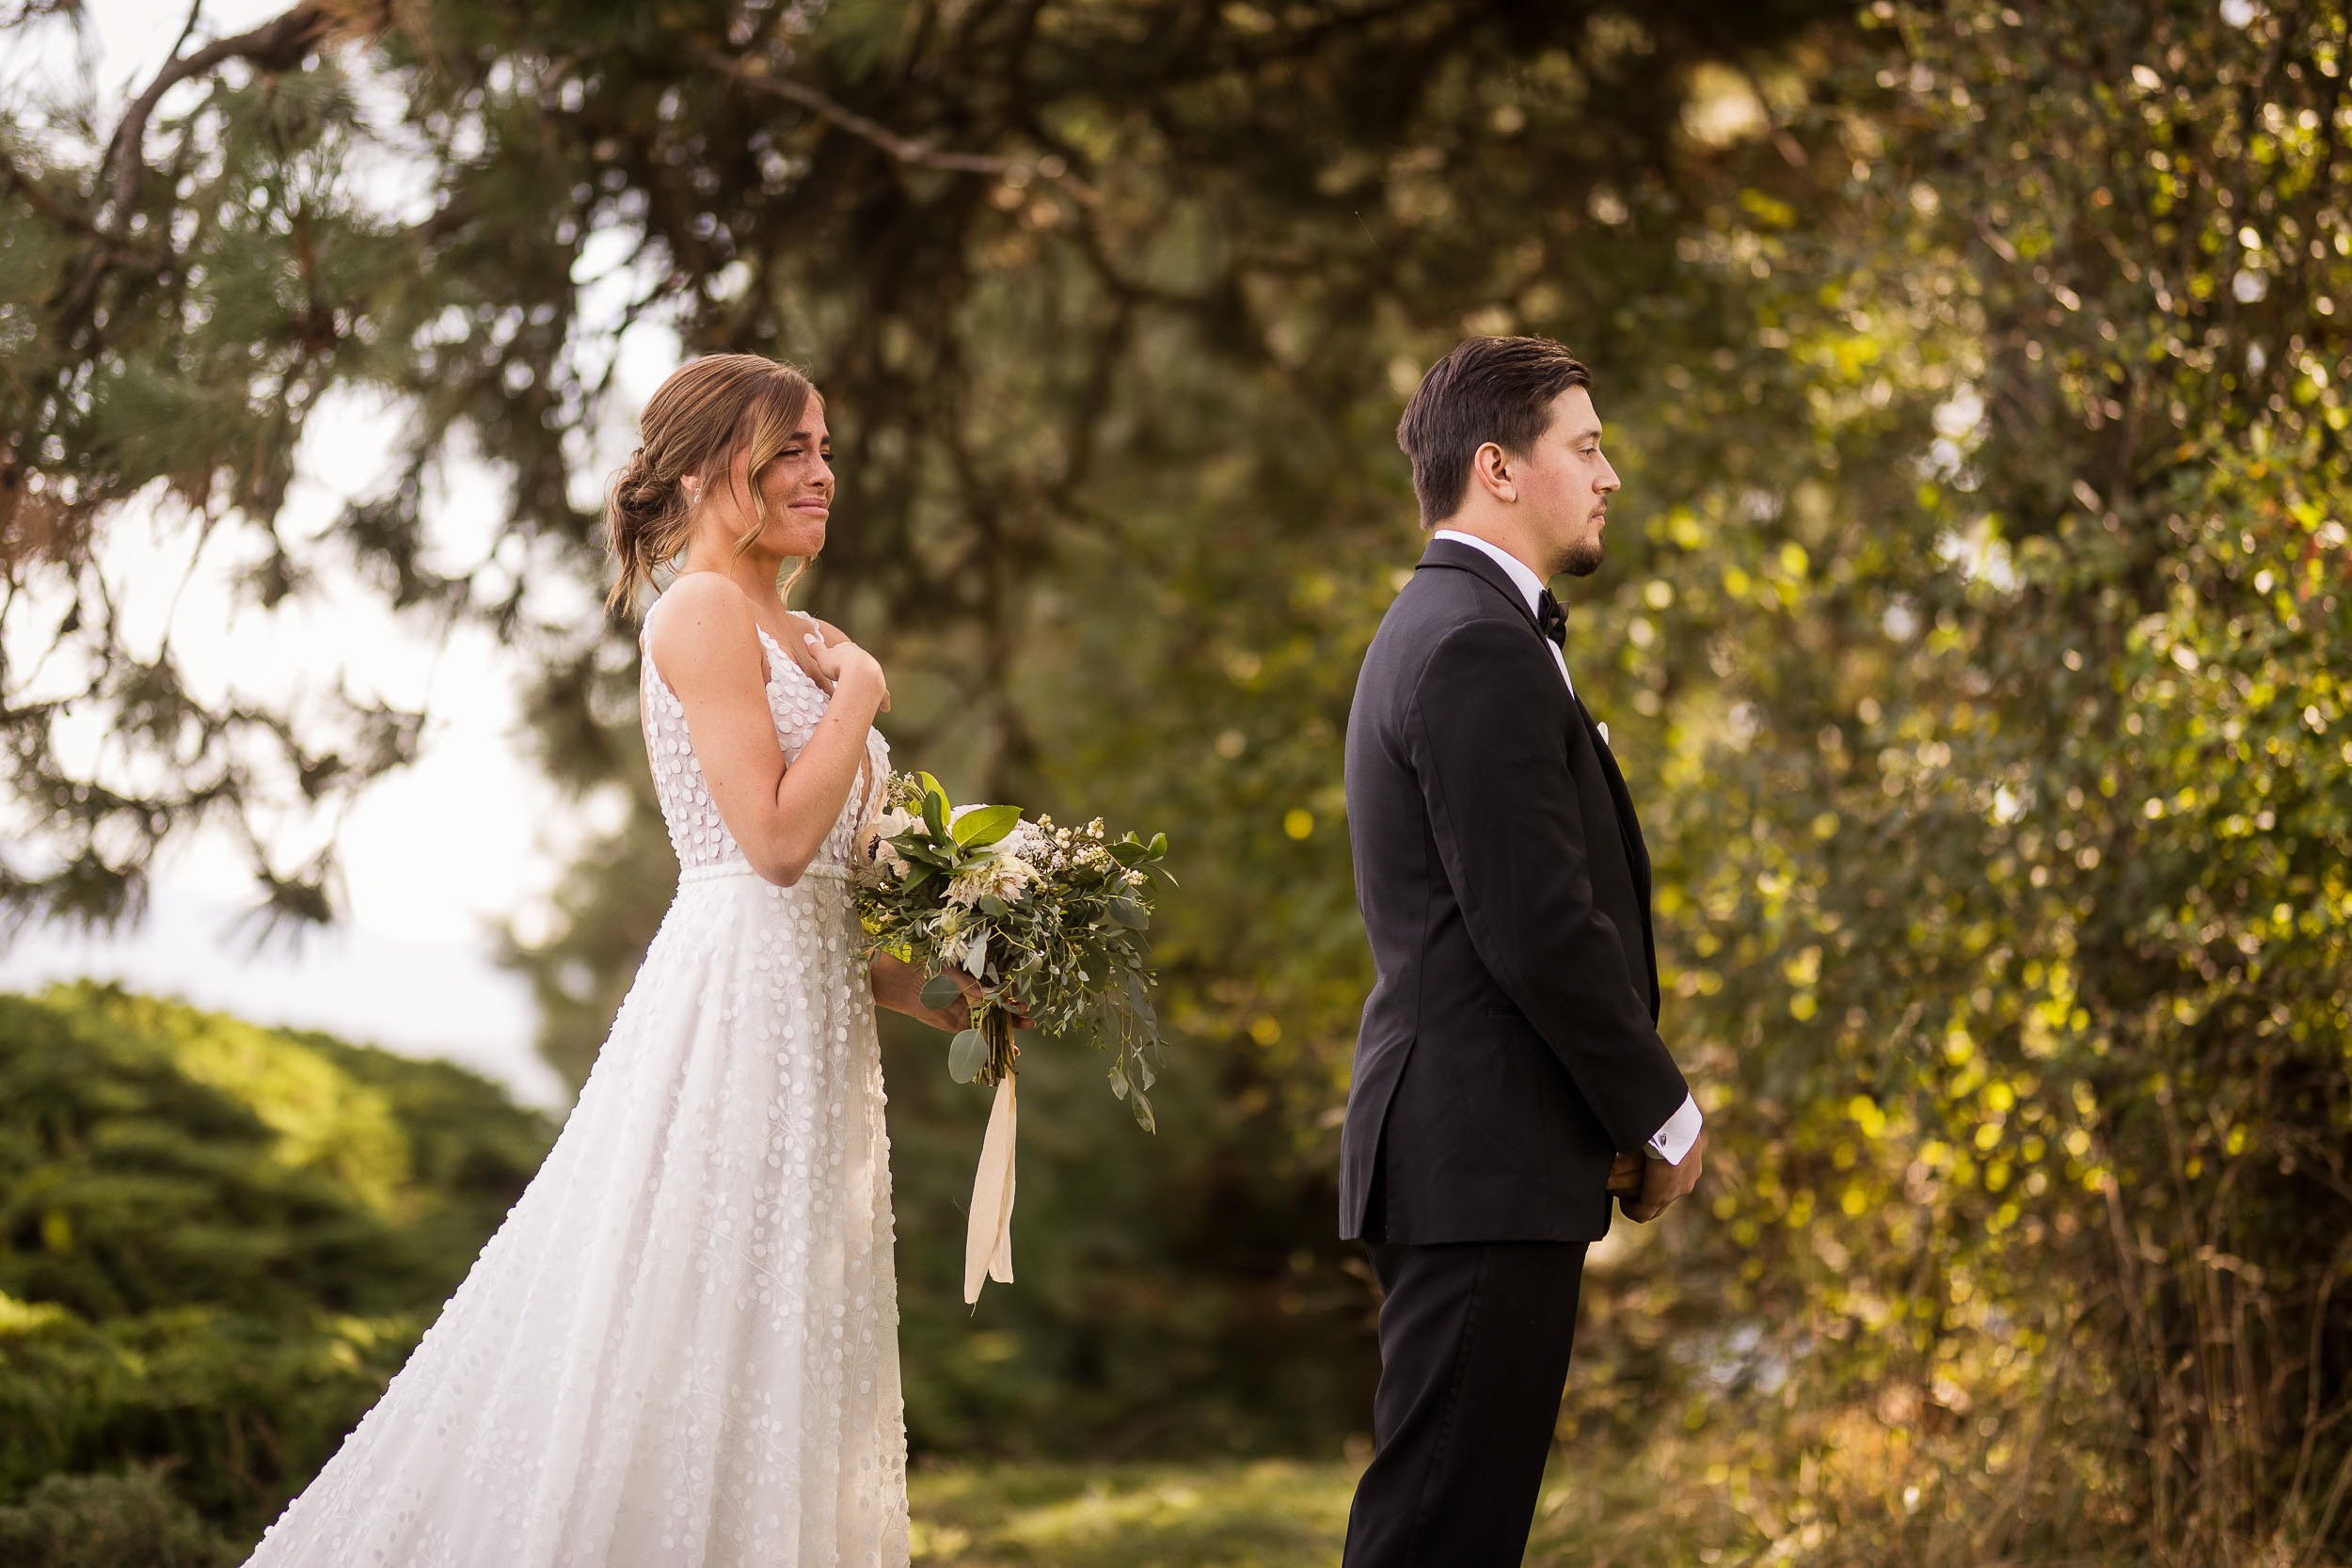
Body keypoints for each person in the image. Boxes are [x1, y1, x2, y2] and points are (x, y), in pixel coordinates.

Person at [243, 352, 996, 1567]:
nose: (822, 474)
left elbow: (835, 911)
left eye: (825, 449)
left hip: (813, 1023)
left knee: (781, 1321)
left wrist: (968, 995)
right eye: (791, 449)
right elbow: (769, 842)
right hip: (730, 1018)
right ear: (707, 470)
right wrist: (860, 693)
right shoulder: (700, 610)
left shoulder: (801, 631)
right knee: (695, 1311)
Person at [1338, 336, 1707, 1566]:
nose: (1611, 476)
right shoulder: (1475, 642)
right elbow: (1537, 923)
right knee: (1438, 1532)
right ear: (1497, 467)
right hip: (1480, 1151)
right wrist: (1660, 1110)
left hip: (1475, 1150)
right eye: (1586, 446)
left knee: (1455, 1525)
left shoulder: (1448, 625)